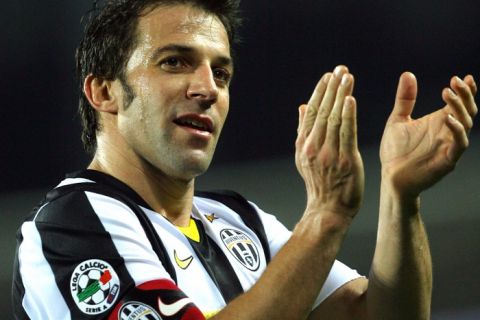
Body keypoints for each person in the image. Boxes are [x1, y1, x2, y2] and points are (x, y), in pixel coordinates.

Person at [12, 0, 477, 319]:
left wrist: (401, 196)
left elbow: (374, 313)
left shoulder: (238, 221)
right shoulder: (67, 227)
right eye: (174, 61)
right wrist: (326, 215)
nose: (207, 88)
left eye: (221, 72)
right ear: (104, 91)